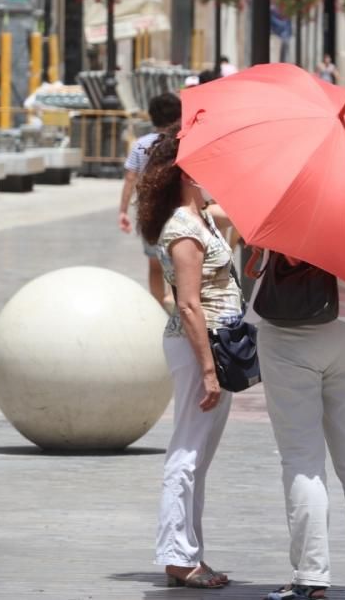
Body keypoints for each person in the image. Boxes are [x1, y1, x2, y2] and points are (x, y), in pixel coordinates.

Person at [249, 262, 345, 600]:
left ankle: (311, 577)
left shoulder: (287, 210)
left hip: (291, 330)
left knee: (301, 457)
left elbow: (282, 259)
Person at [137, 127, 241, 590]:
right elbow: (188, 304)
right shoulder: (183, 229)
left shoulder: (204, 220)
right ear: (186, 173)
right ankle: (178, 556)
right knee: (187, 452)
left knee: (199, 455)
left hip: (217, 344)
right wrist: (207, 370)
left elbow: (240, 224)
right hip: (198, 346)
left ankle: (188, 551)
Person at [119, 93, 183, 306]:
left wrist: (123, 211)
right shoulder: (181, 143)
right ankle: (174, 301)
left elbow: (130, 178)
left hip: (150, 211)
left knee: (155, 264)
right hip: (179, 209)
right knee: (179, 261)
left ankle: (158, 304)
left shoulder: (141, 144)